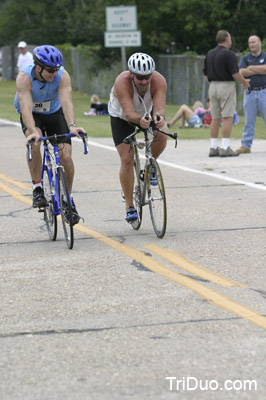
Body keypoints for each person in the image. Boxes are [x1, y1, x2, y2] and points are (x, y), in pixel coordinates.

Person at [14, 45, 86, 224]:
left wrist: (71, 126)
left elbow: (66, 101)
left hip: (54, 113)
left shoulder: (62, 75)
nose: (54, 73)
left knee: (66, 157)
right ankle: (37, 187)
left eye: (56, 69)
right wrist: (32, 133)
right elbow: (27, 109)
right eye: (50, 70)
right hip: (33, 114)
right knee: (36, 143)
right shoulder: (24, 77)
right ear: (38, 67)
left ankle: (67, 199)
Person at [108, 52, 168, 223]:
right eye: (140, 77)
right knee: (127, 159)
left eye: (147, 77)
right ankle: (129, 206)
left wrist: (159, 118)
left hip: (146, 114)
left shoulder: (159, 81)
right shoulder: (122, 81)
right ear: (131, 74)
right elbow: (128, 114)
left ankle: (150, 168)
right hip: (122, 117)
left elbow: (160, 109)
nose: (143, 81)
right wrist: (140, 120)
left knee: (162, 132)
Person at [203, 30, 250, 157]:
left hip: (212, 86)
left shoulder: (209, 53)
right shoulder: (229, 54)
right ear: (227, 39)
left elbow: (206, 75)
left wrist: (214, 83)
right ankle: (224, 147)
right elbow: (235, 74)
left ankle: (213, 147)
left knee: (215, 117)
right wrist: (245, 82)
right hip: (226, 85)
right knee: (228, 117)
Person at [236, 35, 266, 154]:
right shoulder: (245, 58)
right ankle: (246, 145)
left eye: (253, 42)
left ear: (259, 43)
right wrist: (259, 70)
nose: (251, 44)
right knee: (249, 121)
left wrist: (251, 68)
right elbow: (241, 71)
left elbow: (265, 70)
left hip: (264, 91)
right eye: (249, 43)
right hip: (250, 93)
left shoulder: (265, 56)